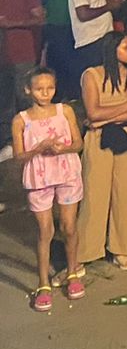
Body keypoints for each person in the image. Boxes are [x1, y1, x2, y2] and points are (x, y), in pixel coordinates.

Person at [12, 68, 85, 311]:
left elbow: (78, 143)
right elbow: (20, 156)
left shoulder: (65, 111)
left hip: (66, 171)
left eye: (50, 88)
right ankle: (43, 283)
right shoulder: (21, 119)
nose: (45, 93)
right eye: (39, 89)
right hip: (38, 176)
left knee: (69, 226)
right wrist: (38, 149)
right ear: (28, 90)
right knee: (45, 231)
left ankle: (73, 273)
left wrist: (61, 149)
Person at [77, 33, 127, 269]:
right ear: (111, 49)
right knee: (94, 193)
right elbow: (92, 113)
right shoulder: (92, 75)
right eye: (126, 47)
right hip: (98, 139)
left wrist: (109, 116)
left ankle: (122, 248)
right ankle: (86, 251)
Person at [0, 0, 45, 117]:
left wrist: (12, 23)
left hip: (23, 53)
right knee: (3, 103)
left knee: (24, 99)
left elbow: (40, 19)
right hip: (3, 55)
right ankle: (7, 140)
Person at [69, 0, 120, 84]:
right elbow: (83, 14)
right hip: (92, 42)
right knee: (96, 81)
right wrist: (108, 7)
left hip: (101, 39)